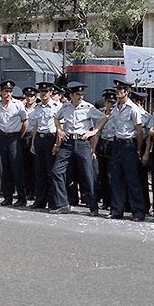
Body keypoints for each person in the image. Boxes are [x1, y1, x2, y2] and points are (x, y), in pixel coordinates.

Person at [51, 81, 108, 215]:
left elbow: (104, 118)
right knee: (56, 171)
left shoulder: (88, 107)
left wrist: (94, 131)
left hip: (82, 142)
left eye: (82, 94)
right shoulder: (65, 107)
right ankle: (63, 203)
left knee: (88, 174)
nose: (80, 97)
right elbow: (56, 118)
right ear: (71, 95)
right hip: (68, 141)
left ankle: (93, 207)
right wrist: (59, 129)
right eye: (77, 94)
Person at [104, 79, 146, 221]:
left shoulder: (133, 108)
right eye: (117, 89)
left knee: (132, 179)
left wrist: (138, 150)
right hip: (117, 143)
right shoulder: (116, 107)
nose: (118, 91)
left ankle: (138, 212)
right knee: (116, 178)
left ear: (127, 92)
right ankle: (117, 210)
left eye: (121, 89)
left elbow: (139, 131)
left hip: (129, 144)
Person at [0, 80, 28, 207]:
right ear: (1, 92)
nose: (8, 94)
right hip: (3, 136)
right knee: (4, 168)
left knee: (17, 168)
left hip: (14, 137)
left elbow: (25, 123)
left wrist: (19, 136)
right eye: (5, 91)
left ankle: (21, 198)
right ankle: (7, 197)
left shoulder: (18, 104)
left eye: (10, 91)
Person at [28, 82, 61, 210]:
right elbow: (36, 126)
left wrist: (57, 144)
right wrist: (32, 143)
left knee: (51, 172)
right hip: (39, 139)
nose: (43, 94)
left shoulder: (57, 106)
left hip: (51, 138)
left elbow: (60, 127)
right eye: (41, 91)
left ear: (51, 92)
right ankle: (40, 201)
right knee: (39, 172)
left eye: (46, 91)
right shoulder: (38, 107)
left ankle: (53, 202)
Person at [90, 88, 116, 213]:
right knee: (100, 174)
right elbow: (96, 132)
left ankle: (111, 202)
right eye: (109, 102)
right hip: (101, 143)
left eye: (113, 102)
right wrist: (93, 150)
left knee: (111, 175)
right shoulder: (99, 113)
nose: (111, 105)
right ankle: (104, 201)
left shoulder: (118, 114)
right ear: (105, 102)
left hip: (113, 144)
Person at [21, 86, 38, 202]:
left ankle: (33, 191)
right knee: (24, 166)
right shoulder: (21, 109)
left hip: (34, 137)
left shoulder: (37, 109)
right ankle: (26, 190)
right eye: (27, 96)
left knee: (34, 167)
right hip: (23, 136)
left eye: (31, 96)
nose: (29, 98)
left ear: (35, 98)